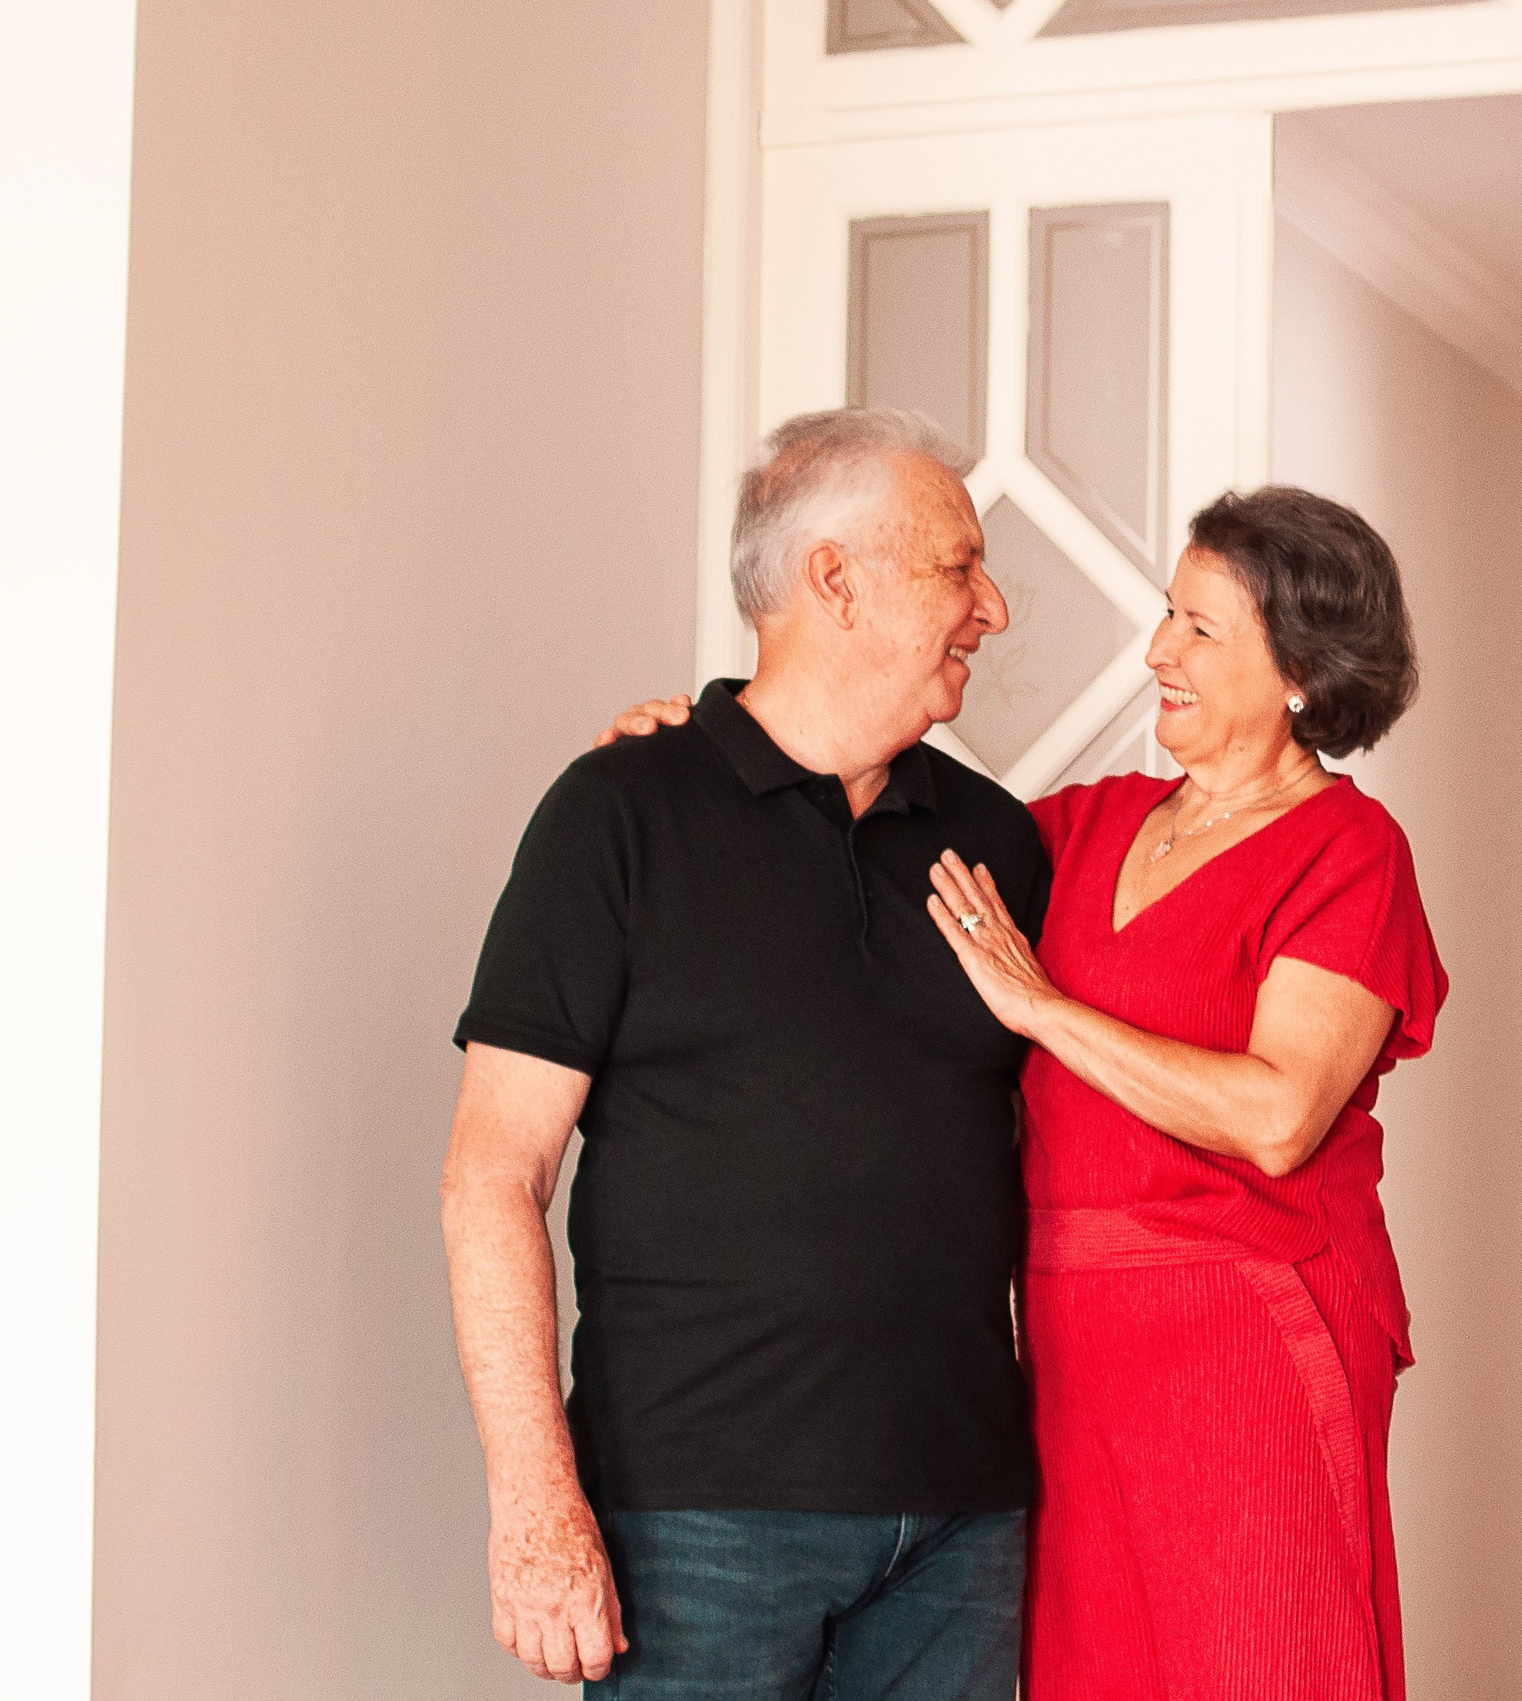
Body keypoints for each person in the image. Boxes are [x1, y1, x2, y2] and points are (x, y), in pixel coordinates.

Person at [607, 486, 1446, 1699]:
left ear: (1304, 671)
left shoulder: (1348, 852)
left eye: (1203, 631)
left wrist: (1045, 1009)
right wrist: (694, 752)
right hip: (1064, 1356)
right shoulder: (1079, 830)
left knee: (1254, 1660)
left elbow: (1277, 1117)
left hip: (1243, 1348)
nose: (1158, 649)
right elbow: (861, 815)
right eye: (1168, 614)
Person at [440, 406, 1045, 1696]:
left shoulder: (1003, 843)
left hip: (963, 1521)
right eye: (957, 566)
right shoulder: (616, 815)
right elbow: (493, 1176)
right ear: (833, 579)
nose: (991, 609)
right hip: (697, 1521)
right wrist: (536, 1508)